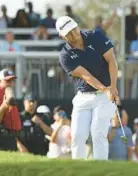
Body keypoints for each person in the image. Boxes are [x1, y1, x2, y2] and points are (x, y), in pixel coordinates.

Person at [56, 16, 118, 160]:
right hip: (84, 96)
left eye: (74, 29)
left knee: (98, 133)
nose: (74, 34)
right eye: (69, 33)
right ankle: (78, 170)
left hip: (104, 97)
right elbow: (86, 76)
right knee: (77, 135)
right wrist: (105, 89)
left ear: (78, 25)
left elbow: (111, 60)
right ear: (61, 36)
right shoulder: (65, 55)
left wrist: (112, 87)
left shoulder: (95, 36)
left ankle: (100, 169)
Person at [0, 69, 25, 152]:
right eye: (7, 80)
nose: (11, 83)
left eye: (12, 80)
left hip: (10, 138)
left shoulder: (9, 94)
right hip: (0, 139)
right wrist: (4, 106)